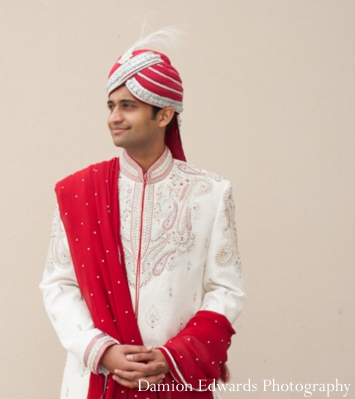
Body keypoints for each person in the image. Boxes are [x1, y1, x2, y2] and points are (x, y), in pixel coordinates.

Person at [40, 29, 246, 399]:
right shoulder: (77, 192)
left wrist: (173, 356)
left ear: (164, 114)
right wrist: (100, 350)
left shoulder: (210, 193)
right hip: (96, 378)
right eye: (110, 106)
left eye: (128, 106)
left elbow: (225, 289)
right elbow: (59, 284)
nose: (114, 117)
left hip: (175, 376)